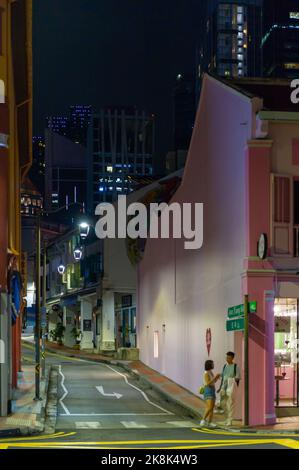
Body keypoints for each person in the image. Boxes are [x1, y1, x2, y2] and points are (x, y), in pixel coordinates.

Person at [217, 351, 241, 426]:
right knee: (223, 404)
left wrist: (231, 379)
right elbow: (223, 376)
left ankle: (230, 420)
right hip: (224, 388)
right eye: (226, 357)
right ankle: (227, 418)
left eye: (229, 358)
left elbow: (238, 377)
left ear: (232, 358)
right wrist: (220, 387)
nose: (227, 359)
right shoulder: (225, 366)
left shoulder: (235, 366)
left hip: (231, 388)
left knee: (230, 404)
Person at [200, 360, 221, 428]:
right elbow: (207, 383)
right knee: (209, 407)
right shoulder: (206, 373)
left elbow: (213, 381)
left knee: (212, 408)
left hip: (212, 390)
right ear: (209, 365)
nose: (213, 365)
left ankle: (210, 422)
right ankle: (203, 420)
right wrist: (215, 377)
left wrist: (217, 378)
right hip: (208, 390)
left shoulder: (210, 372)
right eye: (212, 364)